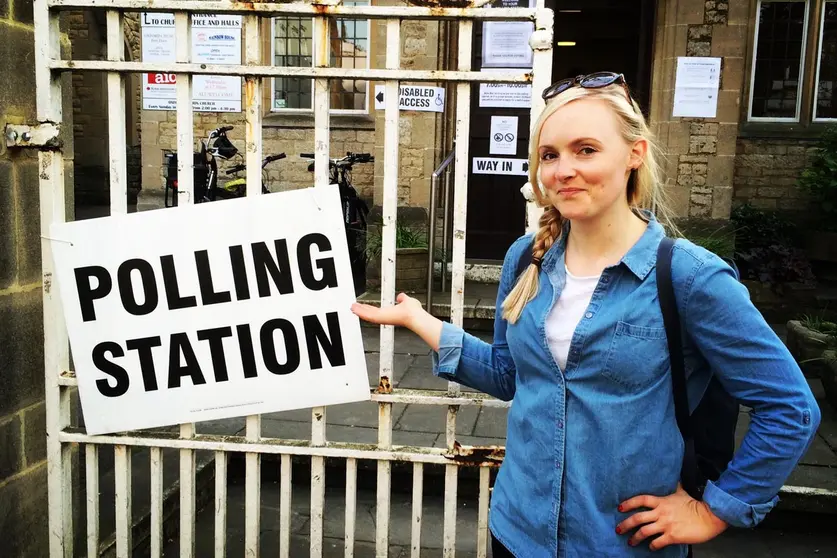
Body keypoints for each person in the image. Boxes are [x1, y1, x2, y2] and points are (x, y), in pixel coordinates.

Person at [351, 72, 821, 557]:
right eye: (550, 155)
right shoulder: (526, 257)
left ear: (634, 154)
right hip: (516, 530)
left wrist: (716, 509)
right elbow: (511, 375)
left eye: (586, 150)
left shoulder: (690, 277)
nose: (563, 170)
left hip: (620, 544)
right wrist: (421, 321)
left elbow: (791, 408)